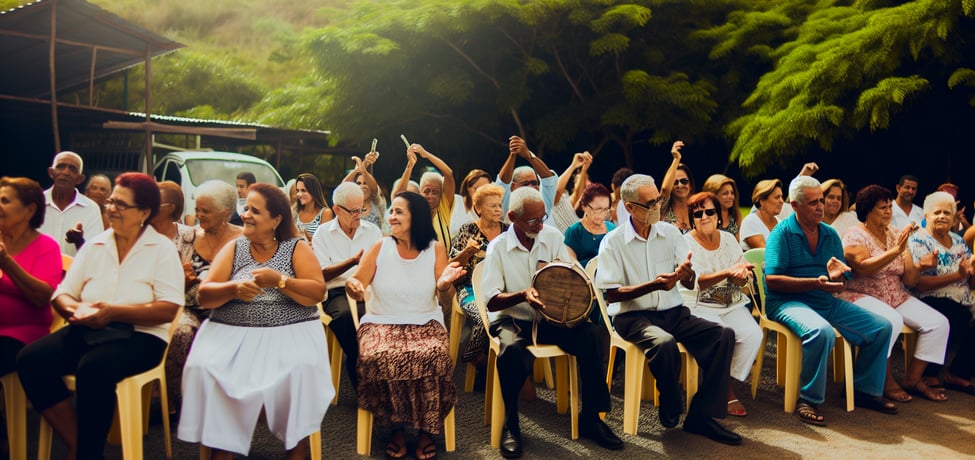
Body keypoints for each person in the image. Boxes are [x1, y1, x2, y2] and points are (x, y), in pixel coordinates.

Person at [17, 172, 184, 459]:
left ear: (144, 212)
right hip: (90, 327)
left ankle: (89, 453)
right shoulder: (96, 244)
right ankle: (76, 442)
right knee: (31, 360)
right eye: (110, 202)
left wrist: (113, 312)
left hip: (141, 335)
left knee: (94, 368)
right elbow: (63, 292)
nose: (111, 209)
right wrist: (74, 310)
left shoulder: (162, 250)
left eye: (121, 204)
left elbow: (168, 308)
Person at [178, 183, 331, 459]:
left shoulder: (296, 248)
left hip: (289, 333)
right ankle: (222, 445)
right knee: (204, 367)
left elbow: (317, 292)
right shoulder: (235, 247)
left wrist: (280, 281)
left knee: (299, 370)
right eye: (246, 208)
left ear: (276, 220)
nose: (245, 214)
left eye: (254, 211)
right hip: (231, 333)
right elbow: (205, 294)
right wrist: (233, 289)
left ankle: (297, 446)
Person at [594, 175, 739, 446]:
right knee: (664, 343)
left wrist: (685, 274)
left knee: (723, 335)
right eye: (649, 203)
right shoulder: (613, 242)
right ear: (629, 207)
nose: (657, 207)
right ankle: (670, 398)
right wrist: (654, 285)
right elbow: (611, 293)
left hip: (673, 312)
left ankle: (701, 415)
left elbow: (689, 281)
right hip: (632, 316)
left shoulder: (670, 233)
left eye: (658, 200)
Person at [481, 187, 623, 458]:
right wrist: (523, 295)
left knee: (591, 335)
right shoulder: (498, 247)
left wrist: (573, 289)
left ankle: (592, 418)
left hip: (550, 317)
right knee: (511, 350)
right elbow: (491, 300)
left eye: (543, 217)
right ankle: (510, 425)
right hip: (512, 317)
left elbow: (569, 275)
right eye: (532, 220)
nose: (540, 225)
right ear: (512, 217)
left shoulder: (552, 236)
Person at [764, 176, 895, 426]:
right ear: (795, 206)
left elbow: (841, 275)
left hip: (824, 300)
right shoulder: (781, 234)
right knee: (821, 332)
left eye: (821, 201)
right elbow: (772, 280)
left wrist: (840, 275)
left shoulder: (830, 233)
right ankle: (808, 399)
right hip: (787, 302)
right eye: (813, 203)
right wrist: (815, 282)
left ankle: (865, 390)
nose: (820, 207)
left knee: (882, 327)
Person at [345, 191, 463, 460]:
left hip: (425, 320)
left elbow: (446, 300)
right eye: (392, 211)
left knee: (435, 355)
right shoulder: (380, 246)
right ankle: (395, 428)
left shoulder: (435, 249)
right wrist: (353, 286)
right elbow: (356, 283)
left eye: (399, 212)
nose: (391, 217)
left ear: (416, 217)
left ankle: (426, 431)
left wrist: (445, 285)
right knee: (380, 356)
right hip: (381, 321)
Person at [837, 185, 949, 403]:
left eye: (890, 206)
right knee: (892, 320)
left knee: (939, 324)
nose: (889, 211)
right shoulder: (854, 235)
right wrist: (896, 251)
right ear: (867, 210)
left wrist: (921, 267)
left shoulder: (896, 234)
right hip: (861, 294)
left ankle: (913, 379)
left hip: (895, 295)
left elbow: (909, 280)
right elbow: (863, 268)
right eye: (882, 208)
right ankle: (886, 380)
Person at [679, 191, 761, 417]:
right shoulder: (685, 243)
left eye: (710, 212)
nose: (704, 217)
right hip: (697, 305)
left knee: (753, 335)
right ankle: (726, 390)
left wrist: (741, 275)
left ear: (718, 215)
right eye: (698, 214)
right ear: (692, 219)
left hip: (730, 302)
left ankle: (721, 380)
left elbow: (740, 272)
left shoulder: (728, 239)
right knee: (723, 335)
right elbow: (696, 281)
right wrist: (728, 272)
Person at [164, 180, 241, 416]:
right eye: (197, 209)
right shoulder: (188, 238)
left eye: (205, 211)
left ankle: (224, 405)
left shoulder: (243, 241)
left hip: (229, 309)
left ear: (225, 212)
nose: (198, 215)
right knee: (181, 333)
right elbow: (168, 286)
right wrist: (183, 280)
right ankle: (179, 401)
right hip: (190, 307)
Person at [312, 182, 383, 393]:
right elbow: (321, 274)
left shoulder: (372, 231)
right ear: (337, 209)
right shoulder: (323, 234)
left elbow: (383, 266)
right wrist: (352, 262)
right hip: (337, 292)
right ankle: (363, 377)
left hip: (368, 290)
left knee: (381, 315)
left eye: (361, 209)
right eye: (353, 211)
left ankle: (371, 372)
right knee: (345, 317)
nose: (359, 216)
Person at [907, 191, 975, 396]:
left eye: (947, 213)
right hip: (930, 297)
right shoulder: (918, 241)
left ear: (954, 218)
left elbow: (969, 276)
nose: (942, 216)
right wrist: (958, 275)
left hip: (963, 294)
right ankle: (929, 373)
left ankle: (958, 373)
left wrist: (971, 273)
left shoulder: (958, 241)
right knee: (957, 314)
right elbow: (919, 284)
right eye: (937, 212)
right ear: (926, 215)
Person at [0, 177, 60, 377]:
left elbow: (42, 297)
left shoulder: (46, 247)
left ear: (29, 210)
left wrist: (6, 263)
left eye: (5, 201)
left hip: (21, 334)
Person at [449, 184, 508, 371]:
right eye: (492, 206)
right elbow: (452, 265)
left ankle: (506, 361)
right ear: (479, 208)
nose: (498, 210)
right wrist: (467, 251)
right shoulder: (467, 231)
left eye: (499, 205)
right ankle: (474, 355)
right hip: (470, 289)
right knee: (484, 317)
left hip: (501, 290)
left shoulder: (508, 232)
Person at [38, 151, 104, 257]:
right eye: (61, 167)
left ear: (80, 179)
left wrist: (79, 241)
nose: (66, 172)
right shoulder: (35, 202)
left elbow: (95, 253)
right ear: (51, 173)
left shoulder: (91, 209)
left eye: (73, 169)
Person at [392, 142, 455, 250]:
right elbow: (398, 196)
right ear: (419, 193)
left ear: (441, 195)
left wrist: (425, 154)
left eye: (435, 192)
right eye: (426, 191)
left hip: (443, 260)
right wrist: (410, 166)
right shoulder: (413, 211)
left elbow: (448, 173)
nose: (430, 196)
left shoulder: (443, 209)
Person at [496, 136, 558, 216]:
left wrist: (528, 155)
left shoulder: (544, 202)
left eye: (534, 183)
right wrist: (513, 155)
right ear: (513, 187)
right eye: (525, 184)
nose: (531, 187)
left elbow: (549, 179)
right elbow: (502, 184)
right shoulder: (506, 204)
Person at [564, 183, 616, 269]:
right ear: (584, 206)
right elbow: (571, 261)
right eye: (598, 209)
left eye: (606, 210)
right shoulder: (574, 231)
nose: (602, 214)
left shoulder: (612, 229)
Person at [150, 181, 196, 262]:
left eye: (156, 205)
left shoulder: (189, 236)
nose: (150, 208)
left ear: (171, 208)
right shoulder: (140, 233)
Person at [343, 151, 388, 230]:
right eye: (358, 183)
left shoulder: (376, 202)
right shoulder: (350, 204)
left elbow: (374, 187)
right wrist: (358, 169)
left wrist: (363, 166)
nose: (362, 186)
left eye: (365, 183)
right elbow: (342, 187)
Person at [546, 152, 589, 233]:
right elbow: (557, 191)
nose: (585, 183)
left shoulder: (587, 211)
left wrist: (584, 169)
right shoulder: (560, 200)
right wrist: (574, 165)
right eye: (581, 181)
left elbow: (579, 194)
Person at [740, 179, 784, 250]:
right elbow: (763, 251)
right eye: (777, 197)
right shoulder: (750, 222)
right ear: (762, 201)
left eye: (781, 197)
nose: (782, 201)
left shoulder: (781, 223)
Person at [293, 173, 334, 242]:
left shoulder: (325, 213)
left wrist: (307, 238)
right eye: (297, 191)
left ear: (313, 191)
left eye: (303, 190)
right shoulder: (294, 211)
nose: (299, 194)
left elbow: (326, 242)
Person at [701, 174, 743, 240]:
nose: (730, 197)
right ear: (713, 195)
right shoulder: (704, 218)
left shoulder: (736, 217)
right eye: (725, 193)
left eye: (732, 193)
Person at [662, 162, 695, 234]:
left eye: (684, 181)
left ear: (691, 185)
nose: (680, 185)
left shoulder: (699, 210)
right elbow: (664, 190)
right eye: (675, 182)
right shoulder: (662, 211)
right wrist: (676, 159)